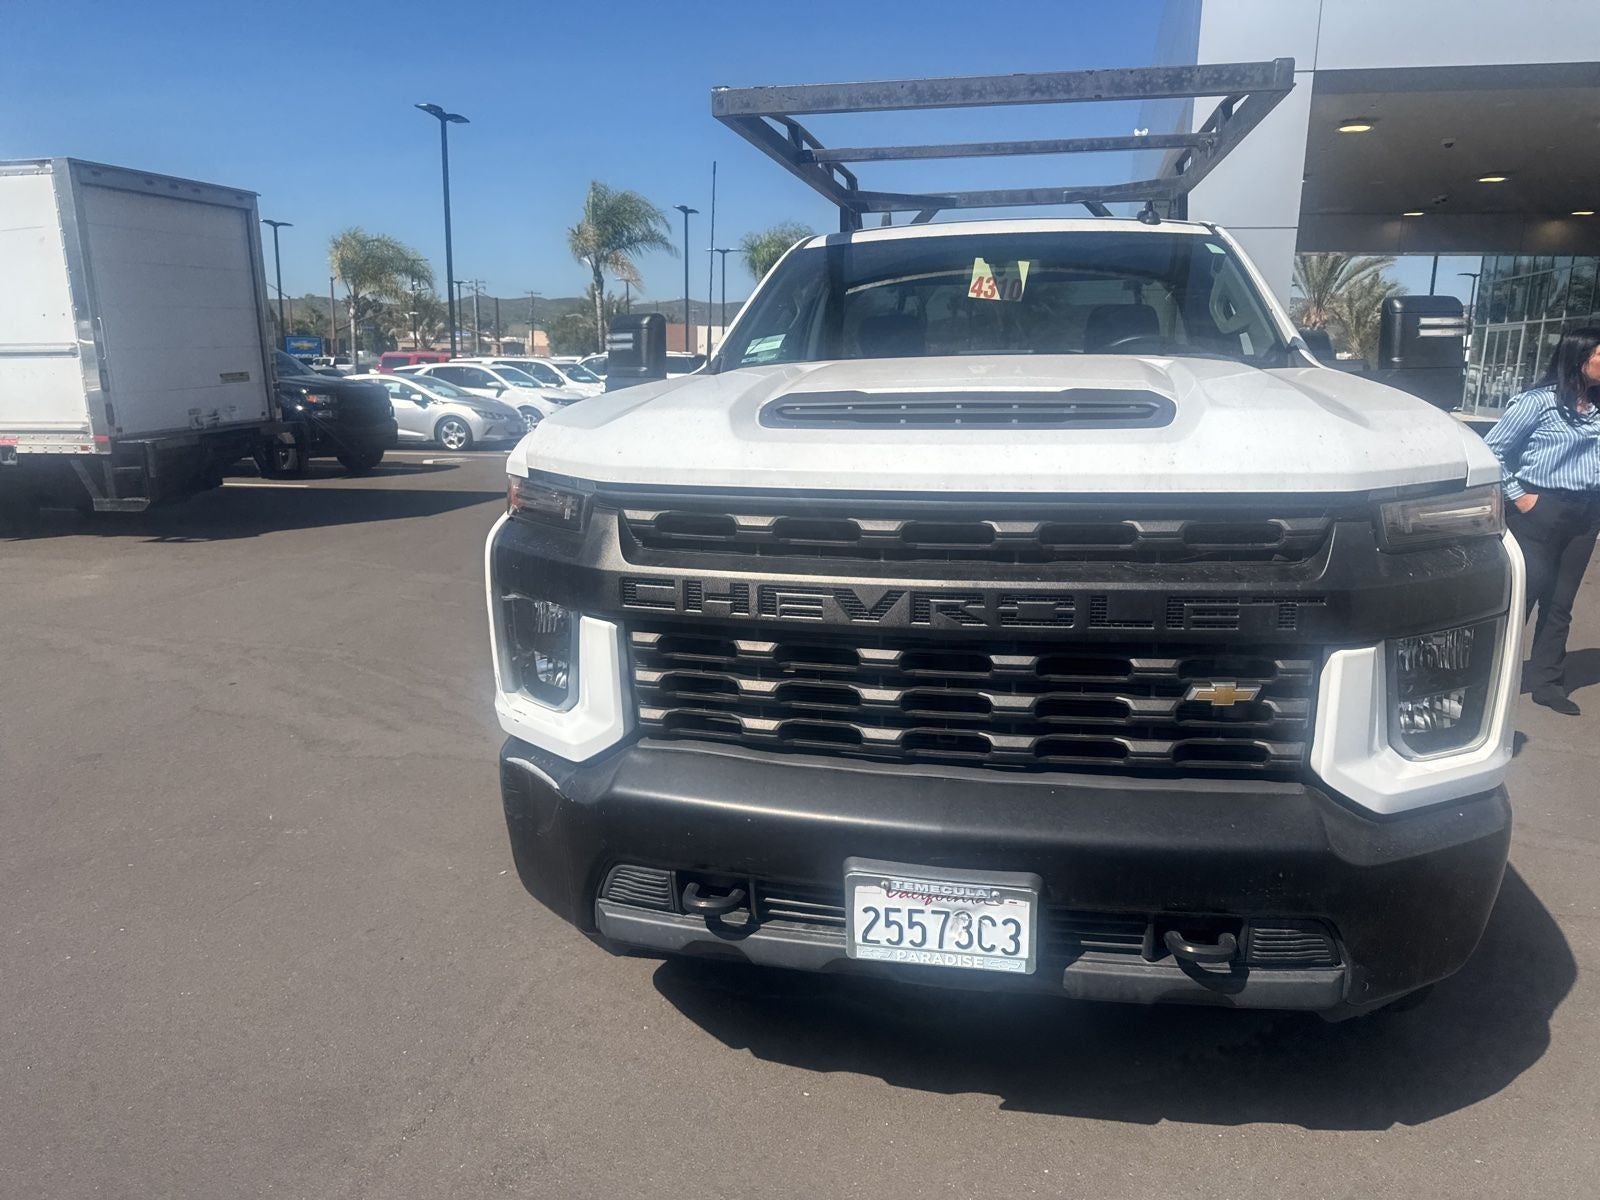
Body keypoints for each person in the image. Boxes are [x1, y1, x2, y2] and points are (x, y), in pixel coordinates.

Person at [1484, 327, 1600, 715]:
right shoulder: (1537, 403)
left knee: (1561, 602)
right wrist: (1521, 497)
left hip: (1586, 514)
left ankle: (1547, 683)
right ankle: (1489, 680)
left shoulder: (1598, 406)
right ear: (1579, 358)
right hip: (1540, 510)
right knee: (1524, 597)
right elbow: (1492, 450)